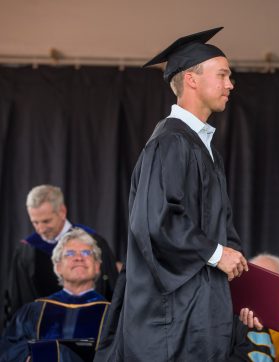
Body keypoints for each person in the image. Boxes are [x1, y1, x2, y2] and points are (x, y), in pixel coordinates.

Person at [95, 27, 248, 361]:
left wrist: (242, 293)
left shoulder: (206, 150)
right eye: (222, 75)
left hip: (199, 315)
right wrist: (217, 254)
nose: (230, 84)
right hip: (172, 320)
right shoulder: (171, 142)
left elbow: (221, 232)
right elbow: (156, 219)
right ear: (191, 79)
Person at [4, 185, 118, 324]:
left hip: (92, 327)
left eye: (46, 221)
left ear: (62, 211)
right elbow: (18, 300)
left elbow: (112, 289)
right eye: (35, 222)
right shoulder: (26, 251)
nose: (41, 229)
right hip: (42, 333)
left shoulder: (92, 243)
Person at [0, 228, 110, 362]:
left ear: (97, 266)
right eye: (70, 253)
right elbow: (8, 350)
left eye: (86, 253)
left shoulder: (112, 314)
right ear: (58, 267)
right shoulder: (34, 312)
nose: (79, 258)